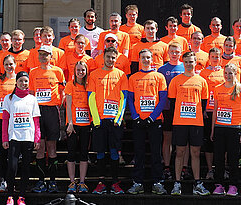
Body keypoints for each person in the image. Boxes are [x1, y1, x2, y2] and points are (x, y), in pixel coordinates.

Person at [127, 49, 168, 195]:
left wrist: (152, 117)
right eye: (143, 57)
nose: (146, 60)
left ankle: (158, 182)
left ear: (152, 59)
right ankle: (137, 182)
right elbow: (130, 99)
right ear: (139, 59)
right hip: (139, 121)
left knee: (156, 153)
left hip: (154, 120)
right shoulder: (133, 77)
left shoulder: (159, 77)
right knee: (139, 152)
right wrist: (135, 117)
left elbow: (163, 99)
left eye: (148, 57)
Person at [88, 47, 128, 195]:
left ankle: (115, 182)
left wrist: (119, 118)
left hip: (115, 121)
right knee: (100, 152)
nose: (110, 60)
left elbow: (124, 98)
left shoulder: (121, 75)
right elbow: (91, 97)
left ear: (116, 59)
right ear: (103, 57)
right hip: (99, 121)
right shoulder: (94, 75)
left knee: (114, 152)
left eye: (113, 57)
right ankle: (101, 183)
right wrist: (96, 120)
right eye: (108, 57)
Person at [169, 52, 209, 196]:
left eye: (191, 61)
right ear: (183, 62)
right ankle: (177, 183)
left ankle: (198, 183)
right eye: (186, 61)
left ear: (195, 62)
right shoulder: (175, 80)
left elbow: (204, 102)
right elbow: (172, 103)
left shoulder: (201, 80)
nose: (188, 64)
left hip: (196, 123)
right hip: (180, 122)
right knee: (179, 152)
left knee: (196, 153)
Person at [29, 45, 66, 193]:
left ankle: (52, 182)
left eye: (46, 55)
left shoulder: (58, 71)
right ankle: (40, 182)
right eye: (41, 54)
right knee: (39, 148)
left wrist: (59, 106)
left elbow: (63, 91)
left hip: (52, 111)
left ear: (51, 57)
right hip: (38, 111)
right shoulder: (33, 72)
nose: (43, 57)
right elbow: (31, 92)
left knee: (52, 147)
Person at [3, 71, 41, 205]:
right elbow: (5, 120)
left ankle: (22, 196)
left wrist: (37, 138)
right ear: (16, 82)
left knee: (26, 167)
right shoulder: (9, 98)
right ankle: (10, 196)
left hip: (28, 137)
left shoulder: (32, 99)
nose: (23, 84)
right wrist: (4, 138)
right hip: (14, 137)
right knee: (12, 167)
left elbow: (36, 120)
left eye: (26, 81)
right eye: (21, 81)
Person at [210, 64, 241, 196]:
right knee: (219, 158)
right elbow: (215, 110)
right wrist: (213, 129)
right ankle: (219, 185)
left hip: (235, 127)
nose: (227, 76)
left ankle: (233, 185)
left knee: (233, 158)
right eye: (225, 73)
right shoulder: (217, 88)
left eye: (230, 73)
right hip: (220, 127)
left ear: (236, 73)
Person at [157, 42, 184, 180]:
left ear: (181, 52)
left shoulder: (185, 67)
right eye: (172, 52)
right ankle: (167, 167)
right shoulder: (162, 69)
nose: (174, 54)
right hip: (167, 108)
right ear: (168, 53)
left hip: (183, 110)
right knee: (167, 138)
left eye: (177, 51)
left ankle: (184, 168)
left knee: (183, 141)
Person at [0, 55, 17, 192]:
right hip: (0, 119)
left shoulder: (19, 79)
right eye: (6, 64)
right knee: (2, 152)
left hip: (15, 120)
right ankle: (3, 180)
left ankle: (12, 180)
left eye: (11, 64)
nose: (9, 66)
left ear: (15, 64)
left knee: (13, 152)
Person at [200, 47, 225, 180]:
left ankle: (223, 169)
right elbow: (201, 93)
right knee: (209, 141)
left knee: (223, 143)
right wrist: (203, 109)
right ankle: (210, 170)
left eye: (217, 57)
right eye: (213, 57)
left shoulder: (225, 72)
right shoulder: (203, 73)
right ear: (209, 58)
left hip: (223, 112)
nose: (215, 59)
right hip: (208, 111)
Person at [65, 61, 91, 194]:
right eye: (78, 70)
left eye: (83, 70)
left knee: (83, 154)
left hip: (86, 123)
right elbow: (68, 105)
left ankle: (82, 182)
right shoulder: (70, 85)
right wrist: (70, 123)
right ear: (74, 71)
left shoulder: (89, 85)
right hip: (73, 125)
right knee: (71, 153)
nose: (80, 72)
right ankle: (72, 182)